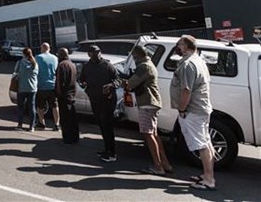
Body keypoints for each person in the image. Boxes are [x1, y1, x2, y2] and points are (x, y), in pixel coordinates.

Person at [170, 35, 215, 190]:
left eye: (179, 44)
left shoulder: (189, 64)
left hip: (193, 110)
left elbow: (186, 90)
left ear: (187, 46)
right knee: (206, 141)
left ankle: (209, 179)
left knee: (201, 144)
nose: (177, 46)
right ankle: (206, 174)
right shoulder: (199, 61)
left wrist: (182, 110)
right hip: (201, 108)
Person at [124, 45, 172, 176]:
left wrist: (124, 81)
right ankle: (165, 163)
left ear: (136, 56)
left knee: (148, 135)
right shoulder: (150, 64)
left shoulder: (143, 66)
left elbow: (130, 84)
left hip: (147, 103)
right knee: (154, 135)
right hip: (152, 103)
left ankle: (158, 166)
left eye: (133, 57)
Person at [79, 45, 121, 162]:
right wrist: (84, 85)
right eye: (93, 52)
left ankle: (112, 153)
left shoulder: (107, 65)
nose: (96, 54)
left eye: (98, 52)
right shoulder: (87, 67)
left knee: (107, 125)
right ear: (89, 54)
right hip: (94, 99)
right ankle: (107, 149)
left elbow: (118, 80)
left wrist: (111, 85)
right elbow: (82, 79)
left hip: (107, 99)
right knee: (101, 125)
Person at [55, 48, 79, 144]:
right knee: (72, 118)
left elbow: (59, 82)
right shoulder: (72, 64)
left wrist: (58, 94)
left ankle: (67, 138)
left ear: (61, 55)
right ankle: (74, 137)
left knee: (65, 119)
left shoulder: (62, 65)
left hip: (64, 96)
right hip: (72, 94)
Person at [13, 47, 39, 132]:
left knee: (20, 107)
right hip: (32, 88)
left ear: (24, 54)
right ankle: (32, 126)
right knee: (32, 107)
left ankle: (20, 125)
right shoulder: (35, 63)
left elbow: (15, 73)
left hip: (22, 88)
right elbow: (36, 74)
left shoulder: (20, 63)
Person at [35, 43, 59, 131]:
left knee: (40, 106)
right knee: (54, 105)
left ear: (42, 48)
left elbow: (35, 70)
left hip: (41, 86)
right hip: (53, 85)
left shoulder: (38, 57)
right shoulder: (55, 58)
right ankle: (57, 124)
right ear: (49, 48)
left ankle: (42, 123)